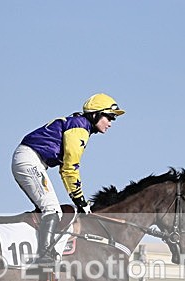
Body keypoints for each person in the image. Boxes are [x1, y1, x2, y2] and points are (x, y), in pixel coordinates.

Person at [11, 93, 125, 267]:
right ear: (95, 114)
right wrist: (81, 201)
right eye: (109, 117)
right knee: (53, 210)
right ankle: (45, 257)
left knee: (49, 209)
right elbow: (69, 169)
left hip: (31, 160)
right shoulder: (79, 128)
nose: (110, 123)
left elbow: (66, 169)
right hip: (30, 160)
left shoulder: (79, 125)